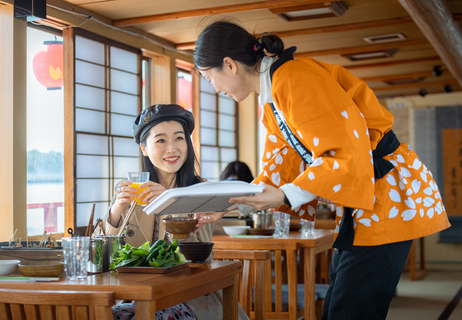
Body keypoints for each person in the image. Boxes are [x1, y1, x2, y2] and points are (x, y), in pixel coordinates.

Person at [193, 20, 451, 320]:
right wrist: (224, 206)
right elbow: (279, 167)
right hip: (365, 200)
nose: (213, 88)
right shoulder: (273, 97)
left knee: (351, 308)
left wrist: (284, 195)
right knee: (337, 306)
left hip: (387, 193)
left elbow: (344, 151)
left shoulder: (294, 78)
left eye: (208, 77)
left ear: (229, 64)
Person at [101, 104, 250, 320]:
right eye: (161, 140)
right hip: (139, 297)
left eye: (179, 138)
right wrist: (116, 210)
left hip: (193, 298)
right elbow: (104, 259)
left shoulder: (201, 191)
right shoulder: (131, 192)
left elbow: (194, 256)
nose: (172, 148)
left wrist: (169, 204)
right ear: (144, 148)